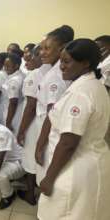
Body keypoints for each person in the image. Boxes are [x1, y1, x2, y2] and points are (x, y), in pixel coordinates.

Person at [37, 39, 110, 220]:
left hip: (74, 168)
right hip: (91, 162)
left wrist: (49, 178)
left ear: (85, 63)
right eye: (61, 61)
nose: (61, 66)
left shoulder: (80, 93)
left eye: (67, 61)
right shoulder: (94, 86)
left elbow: (69, 142)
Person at [35, 25, 74, 185]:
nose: (41, 52)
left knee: (46, 177)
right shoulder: (52, 70)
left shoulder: (57, 76)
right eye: (41, 48)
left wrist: (39, 145)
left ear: (62, 48)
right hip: (46, 127)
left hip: (50, 132)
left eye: (47, 48)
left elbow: (52, 114)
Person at [16, 45, 51, 205]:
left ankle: (30, 195)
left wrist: (21, 131)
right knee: (44, 158)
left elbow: (30, 106)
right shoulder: (53, 71)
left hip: (34, 123)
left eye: (31, 58)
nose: (27, 61)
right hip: (46, 123)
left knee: (31, 160)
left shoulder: (34, 75)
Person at [1, 54, 25, 134]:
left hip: (12, 116)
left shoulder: (14, 81)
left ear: (16, 66)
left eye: (8, 66)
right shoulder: (18, 75)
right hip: (14, 113)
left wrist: (8, 122)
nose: (5, 68)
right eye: (4, 65)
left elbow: (13, 102)